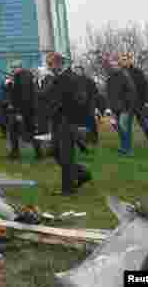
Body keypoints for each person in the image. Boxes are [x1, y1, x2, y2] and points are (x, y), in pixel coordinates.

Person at [42, 52, 92, 196]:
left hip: (68, 122)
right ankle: (82, 173)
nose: (49, 67)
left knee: (65, 156)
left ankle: (68, 189)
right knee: (55, 152)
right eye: (48, 64)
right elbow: (47, 97)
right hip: (58, 121)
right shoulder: (57, 78)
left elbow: (81, 100)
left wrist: (67, 112)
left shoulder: (71, 78)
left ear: (59, 64)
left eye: (50, 64)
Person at [6, 60, 43, 160]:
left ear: (20, 67)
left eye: (14, 67)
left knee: (29, 132)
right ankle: (15, 153)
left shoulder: (24, 77)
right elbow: (14, 94)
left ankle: (38, 153)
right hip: (21, 110)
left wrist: (19, 112)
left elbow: (24, 96)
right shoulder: (19, 77)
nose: (12, 69)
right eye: (12, 67)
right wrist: (9, 84)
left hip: (25, 111)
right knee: (14, 131)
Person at [105, 53, 140, 156]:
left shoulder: (124, 75)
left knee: (124, 127)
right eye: (111, 65)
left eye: (115, 64)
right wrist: (108, 108)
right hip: (115, 108)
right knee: (118, 127)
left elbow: (131, 91)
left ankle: (128, 150)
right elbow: (109, 94)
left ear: (118, 65)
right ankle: (124, 147)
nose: (113, 66)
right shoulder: (110, 79)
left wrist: (129, 106)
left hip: (126, 107)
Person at [122, 53, 148, 149]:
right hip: (125, 104)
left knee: (143, 123)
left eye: (127, 59)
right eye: (123, 59)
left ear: (131, 60)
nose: (125, 61)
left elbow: (145, 87)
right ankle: (126, 145)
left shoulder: (138, 72)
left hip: (138, 102)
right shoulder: (120, 73)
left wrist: (146, 101)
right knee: (124, 124)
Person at [74, 65, 102, 144]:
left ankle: (94, 139)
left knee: (91, 122)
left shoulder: (89, 80)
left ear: (82, 71)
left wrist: (92, 102)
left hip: (89, 105)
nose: (77, 71)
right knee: (81, 124)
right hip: (78, 106)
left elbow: (95, 92)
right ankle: (84, 139)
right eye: (76, 70)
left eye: (78, 70)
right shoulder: (73, 81)